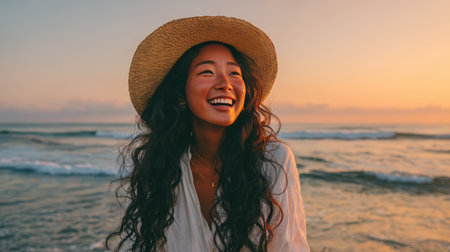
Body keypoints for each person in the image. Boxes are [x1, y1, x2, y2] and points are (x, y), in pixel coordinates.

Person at [106, 16, 310, 252]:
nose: (225, 83)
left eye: (235, 73)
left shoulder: (274, 160)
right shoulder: (161, 166)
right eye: (207, 72)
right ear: (181, 92)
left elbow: (288, 246)